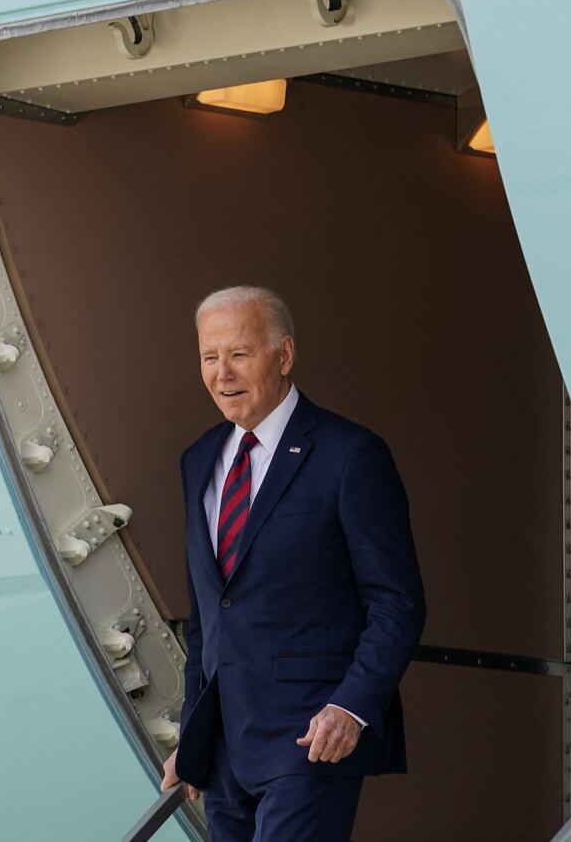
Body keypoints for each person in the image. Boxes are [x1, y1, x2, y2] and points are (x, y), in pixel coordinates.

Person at [160, 286, 426, 841]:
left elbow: (397, 603)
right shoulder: (199, 459)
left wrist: (352, 708)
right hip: (223, 750)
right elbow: (207, 615)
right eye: (209, 357)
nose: (222, 374)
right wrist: (193, 733)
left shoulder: (350, 454)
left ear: (283, 356)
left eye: (239, 354)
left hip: (311, 738)